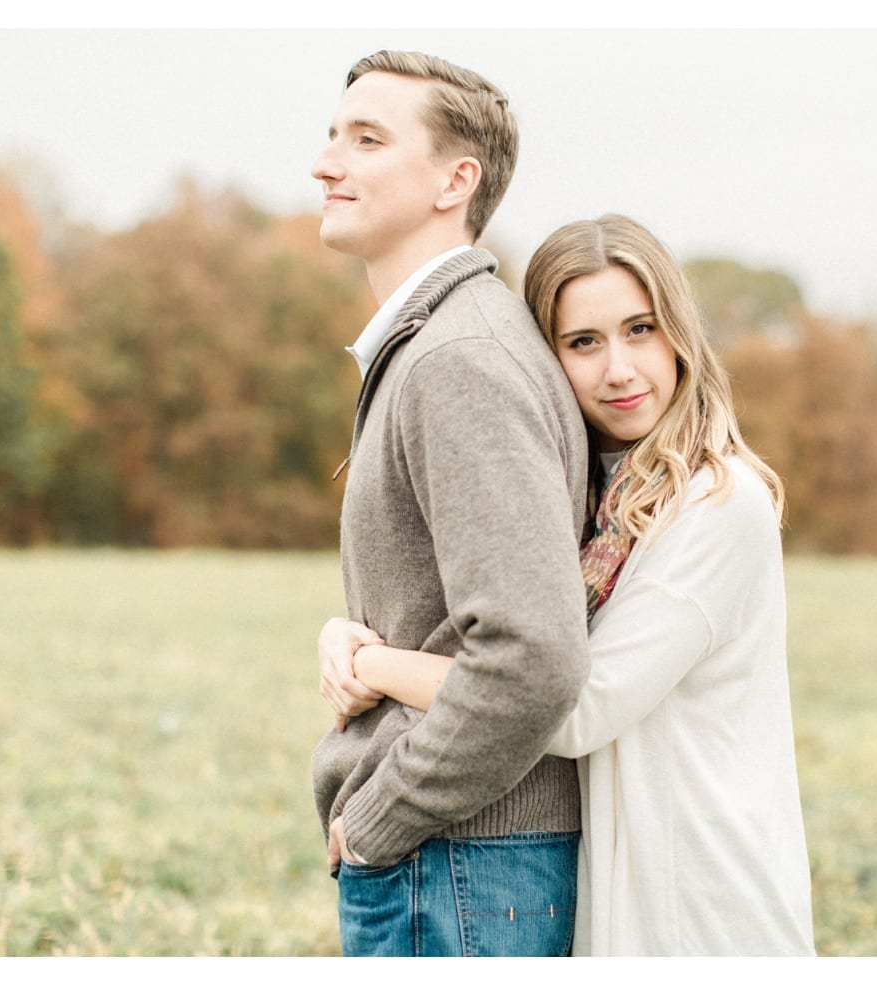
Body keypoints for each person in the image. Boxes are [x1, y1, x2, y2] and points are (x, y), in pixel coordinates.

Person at [321, 214, 817, 956]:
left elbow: (570, 699)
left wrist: (376, 665)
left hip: (701, 900)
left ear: (679, 332)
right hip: (620, 880)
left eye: (640, 329)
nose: (619, 368)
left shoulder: (717, 504)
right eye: (584, 342)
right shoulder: (592, 501)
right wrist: (343, 631)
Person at [307, 50, 591, 958]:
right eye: (332, 135)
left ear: (454, 180)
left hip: (459, 860)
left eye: (367, 139)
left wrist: (382, 818)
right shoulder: (439, 344)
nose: (327, 163)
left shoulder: (457, 359)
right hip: (461, 861)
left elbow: (532, 655)